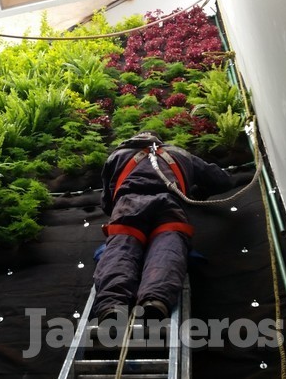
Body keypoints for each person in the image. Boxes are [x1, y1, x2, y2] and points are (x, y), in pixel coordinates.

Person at [93, 130, 253, 323]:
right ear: (160, 140)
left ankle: (112, 305)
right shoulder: (180, 154)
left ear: (135, 138)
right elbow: (222, 180)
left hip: (129, 206)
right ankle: (155, 300)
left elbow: (107, 203)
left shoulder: (118, 156)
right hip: (169, 206)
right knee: (167, 247)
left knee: (121, 248)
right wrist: (198, 192)